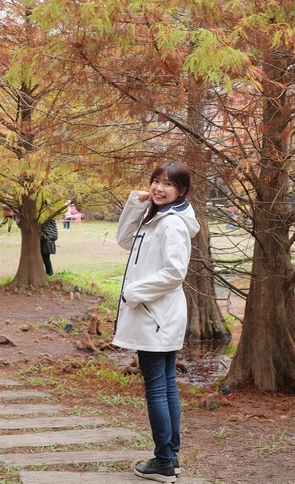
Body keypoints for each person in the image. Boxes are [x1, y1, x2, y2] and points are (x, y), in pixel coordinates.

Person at [113, 160, 199, 484]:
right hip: (159, 315)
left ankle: (164, 461)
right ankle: (170, 457)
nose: (159, 188)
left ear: (182, 190)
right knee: (165, 384)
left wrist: (134, 292)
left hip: (155, 315)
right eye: (155, 181)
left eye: (168, 184)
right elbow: (125, 240)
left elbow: (175, 272)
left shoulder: (172, 224)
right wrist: (137, 203)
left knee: (157, 387)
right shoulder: (158, 216)